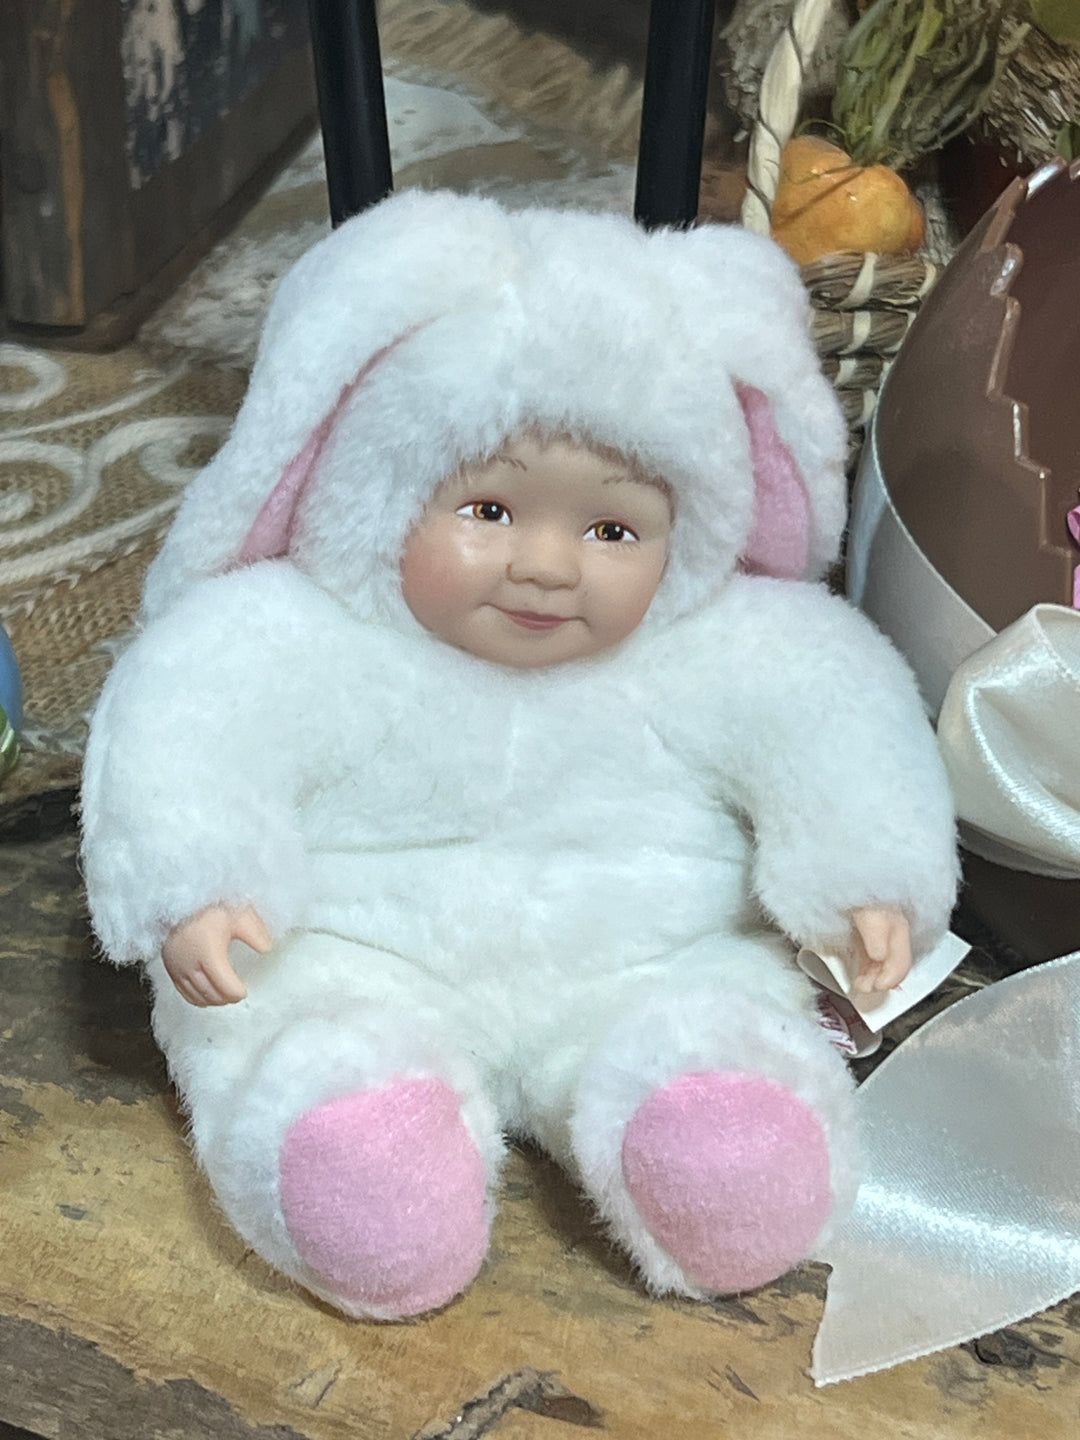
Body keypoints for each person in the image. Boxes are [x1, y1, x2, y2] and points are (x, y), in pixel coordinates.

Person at [81, 191, 956, 1320]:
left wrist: (867, 875)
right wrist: (193, 885)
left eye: (610, 530)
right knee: (309, 1057)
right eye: (490, 508)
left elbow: (834, 717)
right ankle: (355, 1139)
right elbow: (192, 719)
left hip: (643, 961)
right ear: (384, 487)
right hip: (356, 954)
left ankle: (706, 1122)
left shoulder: (725, 642)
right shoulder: (302, 630)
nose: (549, 565)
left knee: (712, 1076)